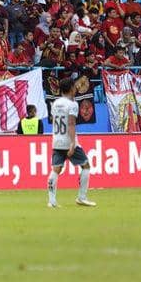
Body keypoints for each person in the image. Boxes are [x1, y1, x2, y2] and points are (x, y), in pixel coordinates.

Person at [47, 77, 96, 208]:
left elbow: (55, 120)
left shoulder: (56, 103)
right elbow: (71, 123)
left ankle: (51, 201)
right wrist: (73, 143)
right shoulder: (72, 104)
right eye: (74, 87)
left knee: (56, 169)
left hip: (56, 140)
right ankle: (82, 197)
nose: (76, 88)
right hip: (68, 140)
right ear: (70, 88)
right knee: (86, 166)